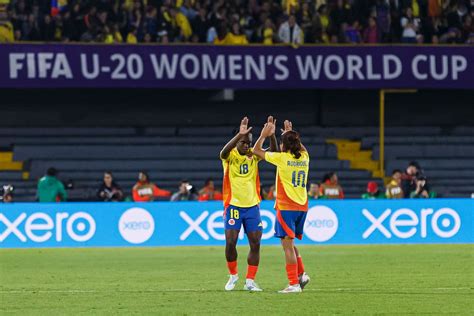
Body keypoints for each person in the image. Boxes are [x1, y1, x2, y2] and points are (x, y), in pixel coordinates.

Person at [252, 119, 310, 294]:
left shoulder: (282, 158)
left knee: (286, 246)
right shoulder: (305, 157)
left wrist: (264, 135)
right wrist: (290, 134)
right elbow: (301, 148)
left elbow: (255, 151)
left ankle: (293, 284)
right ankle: (301, 275)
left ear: (284, 145)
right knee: (290, 243)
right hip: (302, 206)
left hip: (287, 207)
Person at [220, 116, 277, 292]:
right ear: (237, 141)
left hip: (252, 206)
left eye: (248, 143)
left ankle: (250, 281)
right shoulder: (230, 156)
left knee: (255, 243)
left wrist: (272, 135)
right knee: (231, 242)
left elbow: (274, 153)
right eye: (244, 142)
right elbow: (222, 152)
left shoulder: (254, 155)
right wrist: (240, 134)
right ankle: (233, 275)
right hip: (234, 206)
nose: (247, 146)